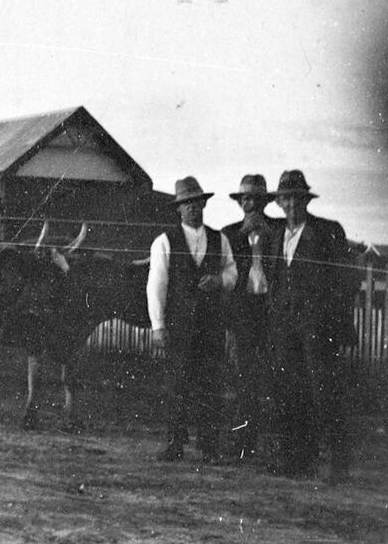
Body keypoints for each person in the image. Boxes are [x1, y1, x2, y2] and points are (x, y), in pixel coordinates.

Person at [265, 169, 355, 482]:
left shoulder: (328, 231)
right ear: (278, 202)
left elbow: (346, 281)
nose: (291, 204)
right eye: (286, 198)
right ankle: (296, 461)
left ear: (306, 200)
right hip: (285, 329)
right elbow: (274, 281)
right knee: (291, 392)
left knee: (324, 392)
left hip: (319, 329)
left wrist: (338, 324)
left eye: (297, 198)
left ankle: (337, 465)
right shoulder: (276, 235)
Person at [146, 177, 239, 462]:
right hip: (179, 327)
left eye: (197, 203)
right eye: (187, 204)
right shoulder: (165, 241)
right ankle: (175, 444)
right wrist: (158, 326)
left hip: (210, 327)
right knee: (177, 385)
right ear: (179, 209)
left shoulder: (219, 239)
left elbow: (233, 273)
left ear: (204, 204)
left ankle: (209, 448)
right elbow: (156, 285)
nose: (192, 209)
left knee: (210, 385)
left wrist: (219, 280)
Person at [221, 174, 279, 461]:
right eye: (245, 198)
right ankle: (244, 442)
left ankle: (278, 445)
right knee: (244, 378)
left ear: (265, 202)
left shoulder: (278, 231)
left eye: (256, 198)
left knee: (276, 377)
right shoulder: (229, 234)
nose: (250, 203)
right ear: (240, 202)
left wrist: (265, 234)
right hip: (243, 315)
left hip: (271, 314)